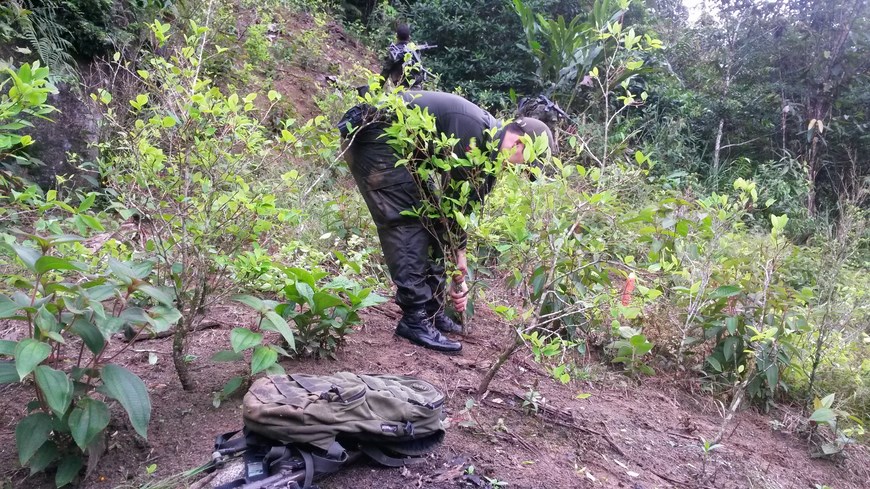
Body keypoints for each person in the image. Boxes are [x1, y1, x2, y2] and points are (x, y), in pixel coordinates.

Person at [339, 90, 556, 354]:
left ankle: (431, 310)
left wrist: (458, 271)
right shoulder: (472, 132)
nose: (522, 171)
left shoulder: (488, 155)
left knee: (431, 218)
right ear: (519, 143)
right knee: (407, 220)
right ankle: (415, 319)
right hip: (374, 136)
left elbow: (458, 210)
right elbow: (454, 202)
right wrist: (459, 259)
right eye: (527, 165)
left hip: (404, 147)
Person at [380, 24, 425, 89]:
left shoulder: (394, 53)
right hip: (417, 89)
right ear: (409, 37)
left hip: (402, 91)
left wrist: (375, 90)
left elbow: (384, 74)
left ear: (396, 36)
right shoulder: (415, 52)